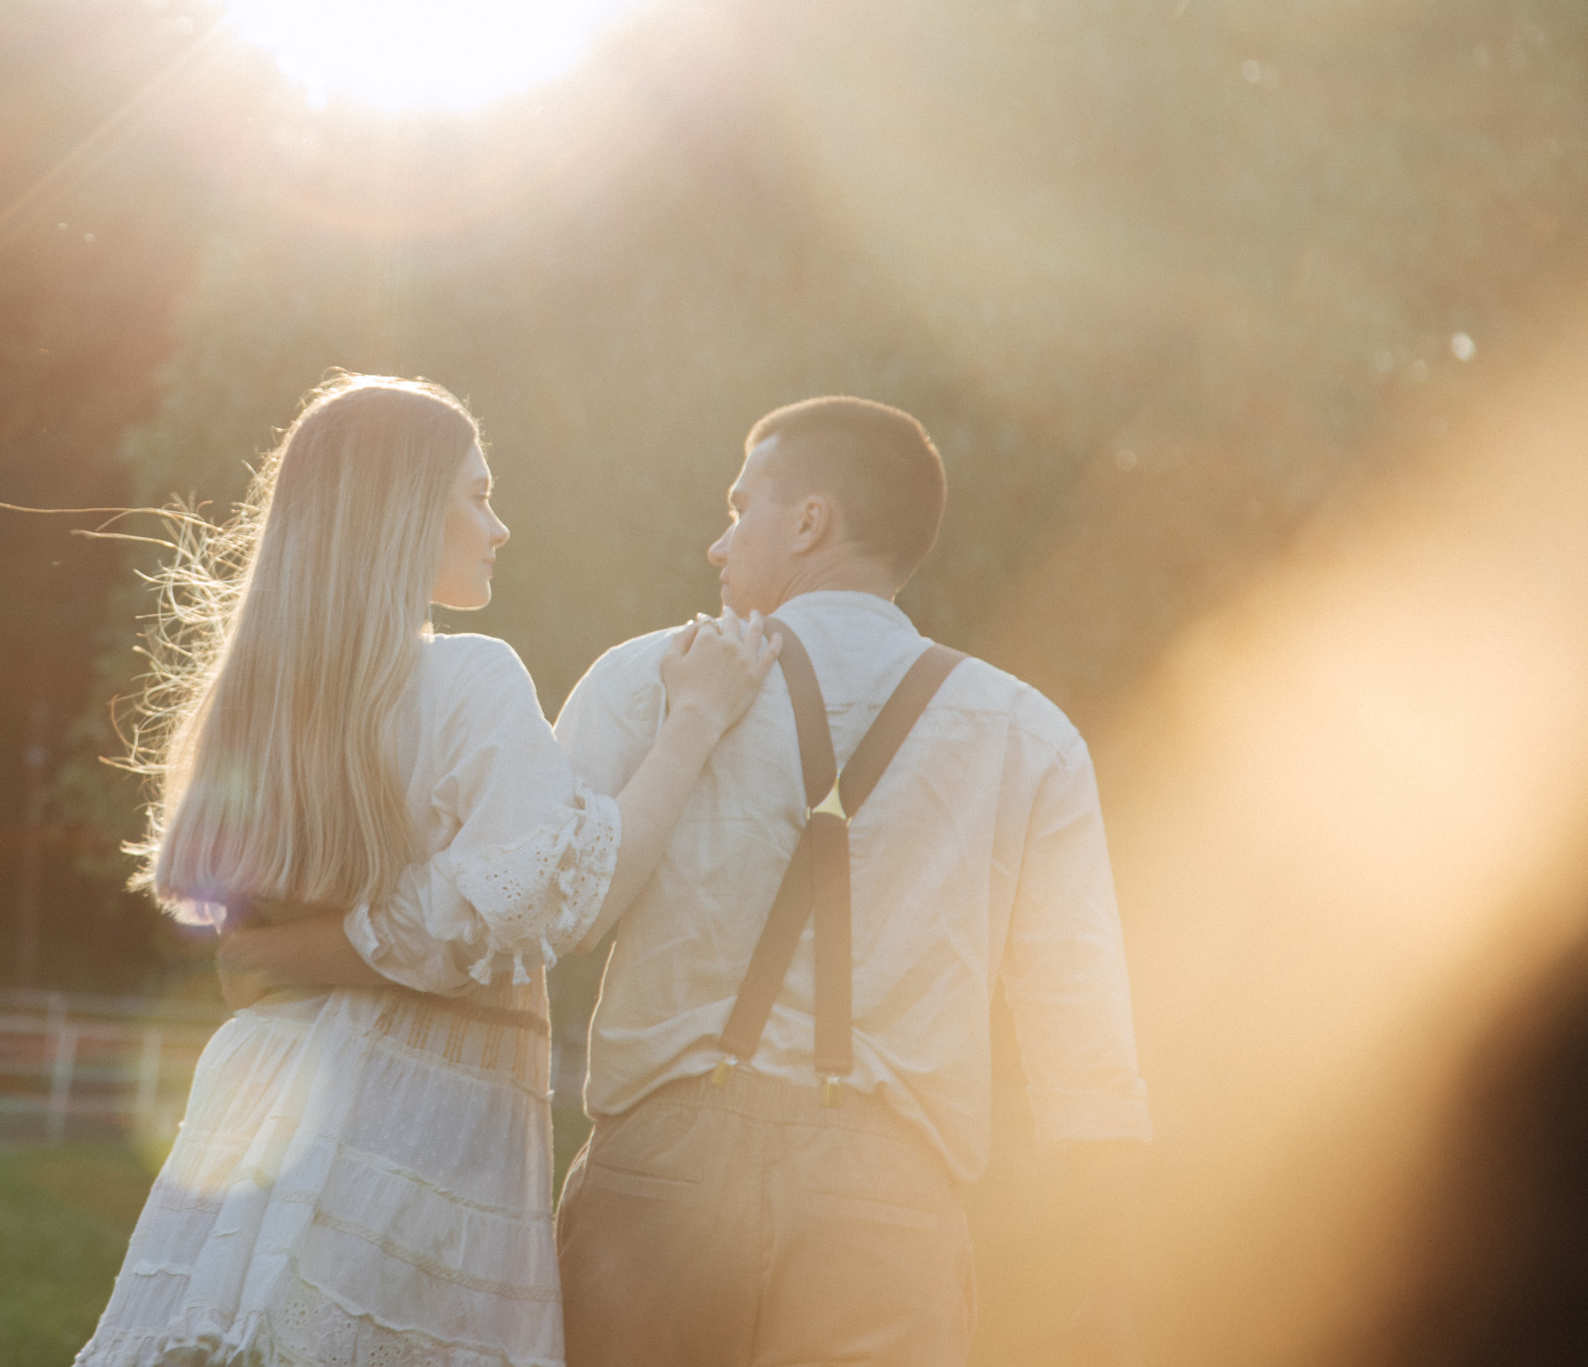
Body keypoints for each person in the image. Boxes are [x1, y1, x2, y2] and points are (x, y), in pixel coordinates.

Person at [230, 395, 1152, 1367]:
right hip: (887, 1206)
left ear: (809, 523)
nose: (718, 547)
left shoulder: (644, 679)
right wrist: (1105, 1287)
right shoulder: (1028, 734)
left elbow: (529, 912)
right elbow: (1083, 1044)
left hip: (657, 1196)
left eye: (740, 506)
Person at [74, 372, 780, 1367]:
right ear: (405, 511)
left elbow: (251, 950)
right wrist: (697, 719)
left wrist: (297, 953)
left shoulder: (259, 703)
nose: (498, 527)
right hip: (410, 1122)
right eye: (477, 496)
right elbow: (548, 902)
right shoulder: (468, 675)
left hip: (262, 1110)